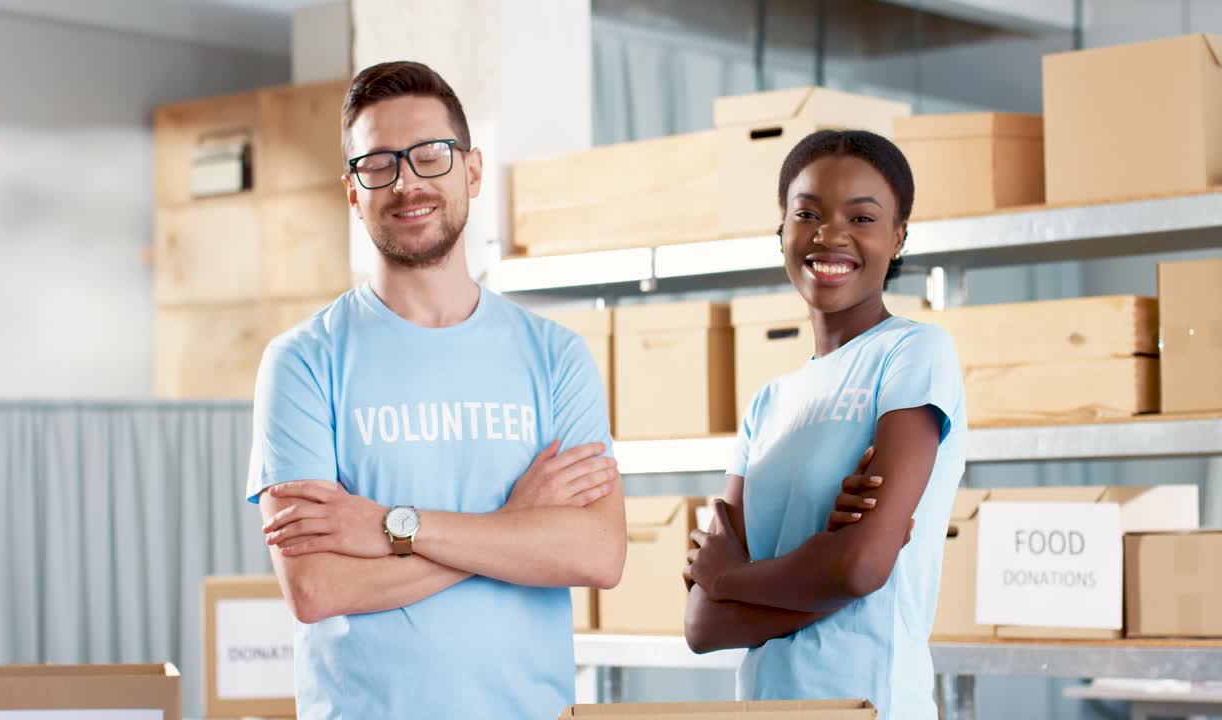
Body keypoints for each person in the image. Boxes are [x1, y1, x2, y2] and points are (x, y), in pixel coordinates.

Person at [246, 61, 626, 720]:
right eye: (379, 165)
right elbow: (315, 587)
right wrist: (513, 532)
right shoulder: (302, 363)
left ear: (472, 170)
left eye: (430, 156)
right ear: (351, 192)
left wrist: (396, 529)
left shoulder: (556, 356)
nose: (406, 182)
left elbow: (597, 553)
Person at [683, 129, 967, 719]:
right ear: (782, 232)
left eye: (861, 218)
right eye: (806, 213)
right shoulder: (767, 404)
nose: (829, 235)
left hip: (872, 707)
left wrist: (732, 577)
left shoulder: (914, 354)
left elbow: (860, 568)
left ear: (898, 237)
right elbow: (701, 625)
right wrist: (824, 570)